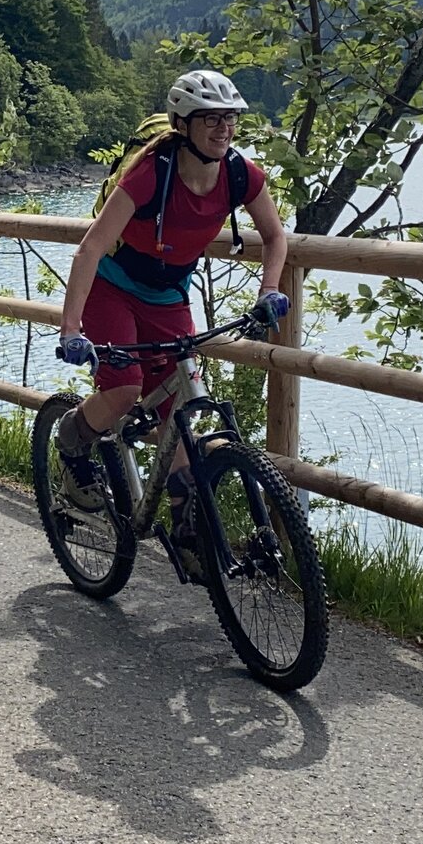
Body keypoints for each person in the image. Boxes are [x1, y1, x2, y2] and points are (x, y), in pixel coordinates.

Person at [51, 70, 290, 533]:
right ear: (183, 125)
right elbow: (90, 248)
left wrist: (269, 290)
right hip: (112, 287)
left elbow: (275, 236)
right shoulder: (151, 172)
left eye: (230, 119)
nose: (224, 129)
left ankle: (188, 530)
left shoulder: (240, 174)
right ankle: (72, 441)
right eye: (210, 120)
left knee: (179, 406)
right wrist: (71, 328)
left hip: (168, 294)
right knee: (123, 386)